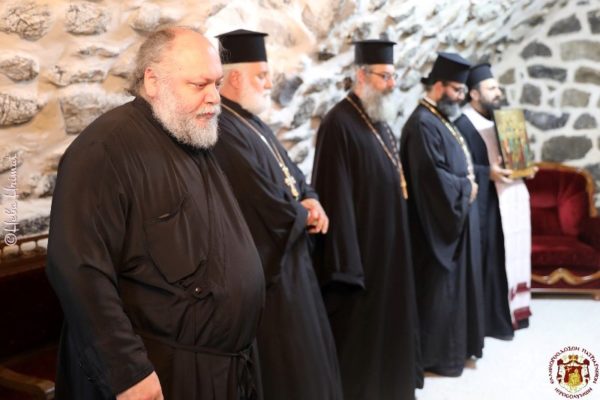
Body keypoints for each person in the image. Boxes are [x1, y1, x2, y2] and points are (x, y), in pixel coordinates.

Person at [46, 27, 265, 400]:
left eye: (216, 84)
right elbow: (79, 270)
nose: (214, 97)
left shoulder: (188, 134)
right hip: (162, 372)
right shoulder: (104, 149)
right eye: (198, 85)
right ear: (152, 81)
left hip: (220, 365)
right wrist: (127, 372)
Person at [213, 29, 343, 400]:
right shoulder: (223, 129)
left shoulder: (253, 122)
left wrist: (311, 199)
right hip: (274, 270)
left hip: (294, 256)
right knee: (292, 361)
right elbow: (259, 199)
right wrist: (301, 214)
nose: (270, 84)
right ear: (235, 78)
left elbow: (293, 173)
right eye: (262, 75)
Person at [312, 39, 421, 400]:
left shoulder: (378, 119)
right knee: (362, 341)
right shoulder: (338, 124)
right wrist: (347, 265)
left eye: (393, 76)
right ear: (361, 75)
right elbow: (334, 196)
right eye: (384, 76)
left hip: (390, 250)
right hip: (363, 255)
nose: (392, 84)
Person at [400, 52, 485, 377]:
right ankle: (439, 357)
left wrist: (465, 186)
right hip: (436, 226)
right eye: (457, 90)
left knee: (456, 291)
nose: (461, 97)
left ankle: (458, 349)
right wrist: (465, 188)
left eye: (463, 91)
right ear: (438, 86)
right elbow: (431, 179)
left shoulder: (439, 118)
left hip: (456, 218)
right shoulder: (423, 123)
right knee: (440, 293)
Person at [454, 63, 532, 331]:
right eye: (491, 88)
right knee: (492, 260)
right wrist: (489, 173)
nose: (498, 92)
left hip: (509, 198)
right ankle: (492, 320)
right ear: (474, 94)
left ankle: (515, 312)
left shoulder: (501, 119)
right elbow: (458, 167)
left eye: (498, 87)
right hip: (485, 204)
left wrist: (524, 167)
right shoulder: (462, 125)